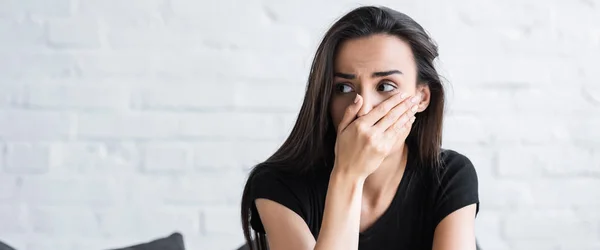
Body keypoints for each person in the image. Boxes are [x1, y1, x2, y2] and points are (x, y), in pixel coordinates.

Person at [240, 5, 480, 250]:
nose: (363, 109)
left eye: (386, 86)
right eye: (343, 88)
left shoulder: (449, 176)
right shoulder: (278, 184)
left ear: (422, 98)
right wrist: (348, 176)